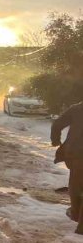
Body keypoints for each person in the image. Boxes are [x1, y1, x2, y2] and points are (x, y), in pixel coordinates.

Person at [51, 100, 83, 234]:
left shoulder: (77, 108)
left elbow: (57, 124)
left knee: (76, 184)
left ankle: (76, 214)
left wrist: (55, 140)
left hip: (75, 153)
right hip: (77, 153)